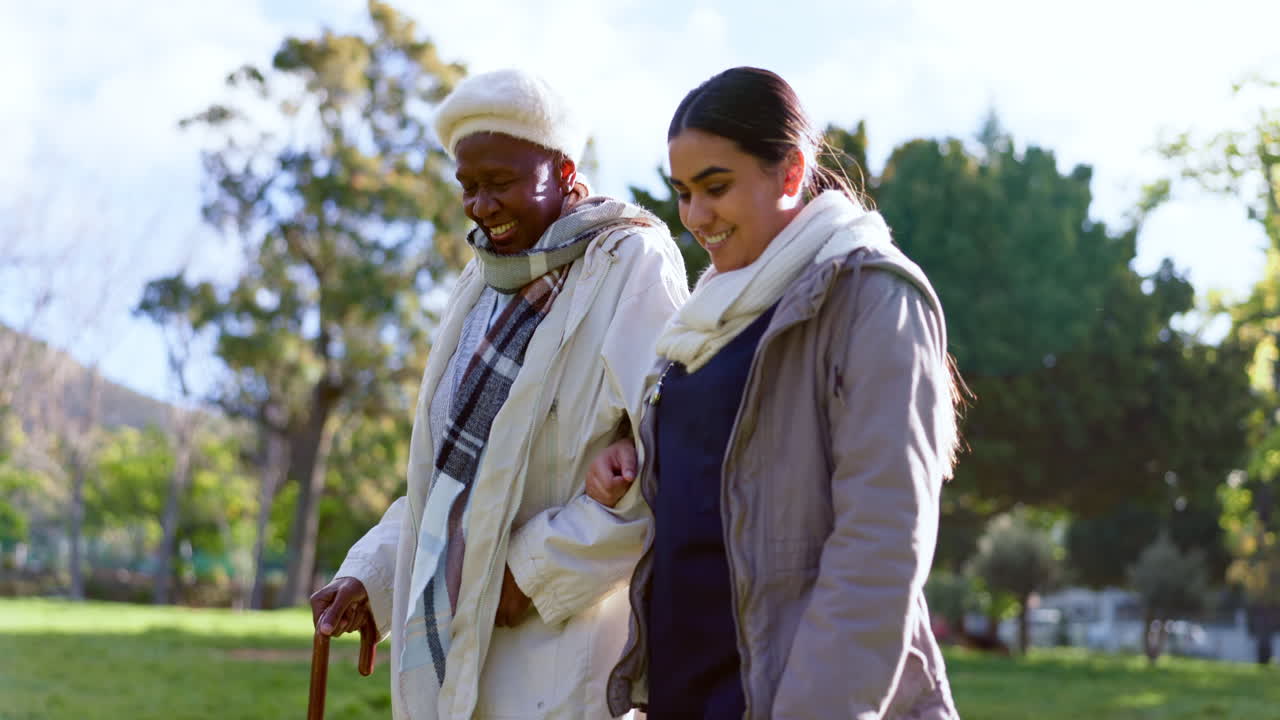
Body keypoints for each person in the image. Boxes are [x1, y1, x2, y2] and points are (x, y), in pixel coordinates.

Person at [310, 68, 688, 720]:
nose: (481, 206)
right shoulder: (480, 283)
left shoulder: (631, 264)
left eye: (501, 182)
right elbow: (447, 483)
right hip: (456, 652)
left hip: (563, 657)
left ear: (564, 172)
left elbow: (666, 465)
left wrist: (527, 577)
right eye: (468, 186)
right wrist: (370, 576)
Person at [590, 67, 964, 719]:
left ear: (791, 172)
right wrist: (632, 451)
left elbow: (880, 546)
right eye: (683, 193)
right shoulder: (706, 319)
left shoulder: (873, 298)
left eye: (716, 187)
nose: (695, 216)